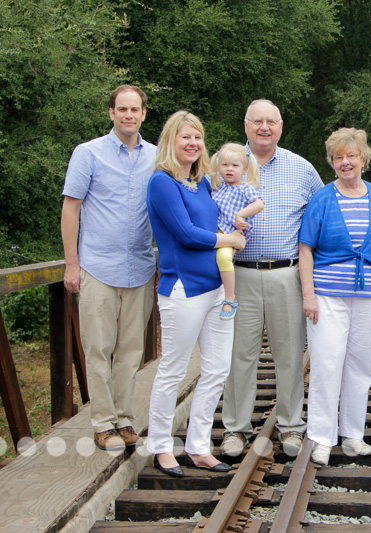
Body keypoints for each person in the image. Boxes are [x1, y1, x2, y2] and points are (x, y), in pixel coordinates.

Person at [145, 111, 246, 477]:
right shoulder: (162, 183)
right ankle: (161, 446)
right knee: (173, 369)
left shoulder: (201, 182)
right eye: (185, 137)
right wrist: (228, 239)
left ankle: (198, 446)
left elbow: (217, 218)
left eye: (198, 137)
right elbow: (186, 234)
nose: (192, 143)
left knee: (218, 368)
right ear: (170, 140)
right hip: (183, 288)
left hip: (216, 287)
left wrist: (238, 225)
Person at [221, 100, 323, 457]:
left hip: (287, 274)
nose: (264, 127)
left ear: (280, 126)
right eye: (257, 121)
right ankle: (235, 429)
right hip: (239, 274)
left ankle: (291, 426)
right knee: (239, 355)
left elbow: (322, 216)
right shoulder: (225, 163)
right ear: (245, 124)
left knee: (290, 354)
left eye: (271, 121)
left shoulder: (302, 168)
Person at [61, 84, 156, 451]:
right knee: (98, 349)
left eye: (135, 109)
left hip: (140, 266)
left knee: (131, 350)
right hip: (98, 265)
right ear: (112, 113)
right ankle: (102, 423)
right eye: (122, 109)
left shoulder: (156, 156)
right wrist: (72, 264)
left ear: (143, 114)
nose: (129, 115)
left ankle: (124, 418)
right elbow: (71, 208)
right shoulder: (88, 154)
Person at [299, 127, 371, 466]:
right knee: (327, 363)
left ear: (364, 159)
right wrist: (308, 295)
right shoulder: (322, 199)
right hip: (328, 295)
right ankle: (321, 438)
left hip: (370, 294)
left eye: (351, 156)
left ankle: (353, 435)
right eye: (338, 157)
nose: (345, 162)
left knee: (360, 365)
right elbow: (305, 248)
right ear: (331, 161)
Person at [209, 143, 264, 320]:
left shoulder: (245, 188)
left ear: (244, 168)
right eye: (225, 165)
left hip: (232, 232)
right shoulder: (217, 187)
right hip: (216, 231)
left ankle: (230, 298)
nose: (229, 169)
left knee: (223, 258)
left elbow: (259, 204)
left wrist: (240, 215)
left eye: (235, 165)